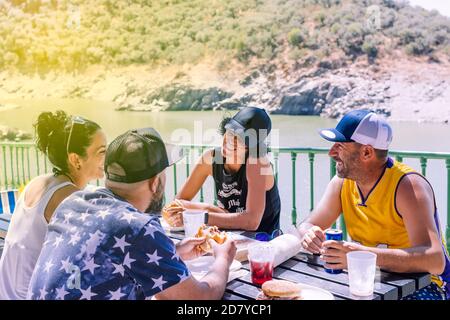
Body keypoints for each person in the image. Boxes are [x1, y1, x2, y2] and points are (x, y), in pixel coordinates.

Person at [27, 128, 236, 300]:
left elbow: (104, 263)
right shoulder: (139, 228)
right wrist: (223, 258)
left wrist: (174, 251)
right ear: (155, 182)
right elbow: (199, 299)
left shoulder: (71, 204)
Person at [296, 109, 450, 300]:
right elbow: (308, 224)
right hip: (374, 281)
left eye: (340, 146)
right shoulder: (342, 183)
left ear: (367, 152)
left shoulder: (408, 186)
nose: (331, 153)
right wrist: (309, 235)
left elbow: (435, 260)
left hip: (424, 287)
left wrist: (361, 255)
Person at [0, 110, 106, 300]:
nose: (107, 158)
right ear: (75, 159)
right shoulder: (69, 197)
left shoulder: (38, 182)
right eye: (102, 151)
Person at [164, 107, 281, 236]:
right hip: (228, 237)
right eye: (231, 132)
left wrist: (202, 215)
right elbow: (177, 203)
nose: (231, 141)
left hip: (262, 242)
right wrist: (179, 212)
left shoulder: (258, 163)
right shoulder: (212, 158)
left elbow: (251, 222)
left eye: (241, 139)